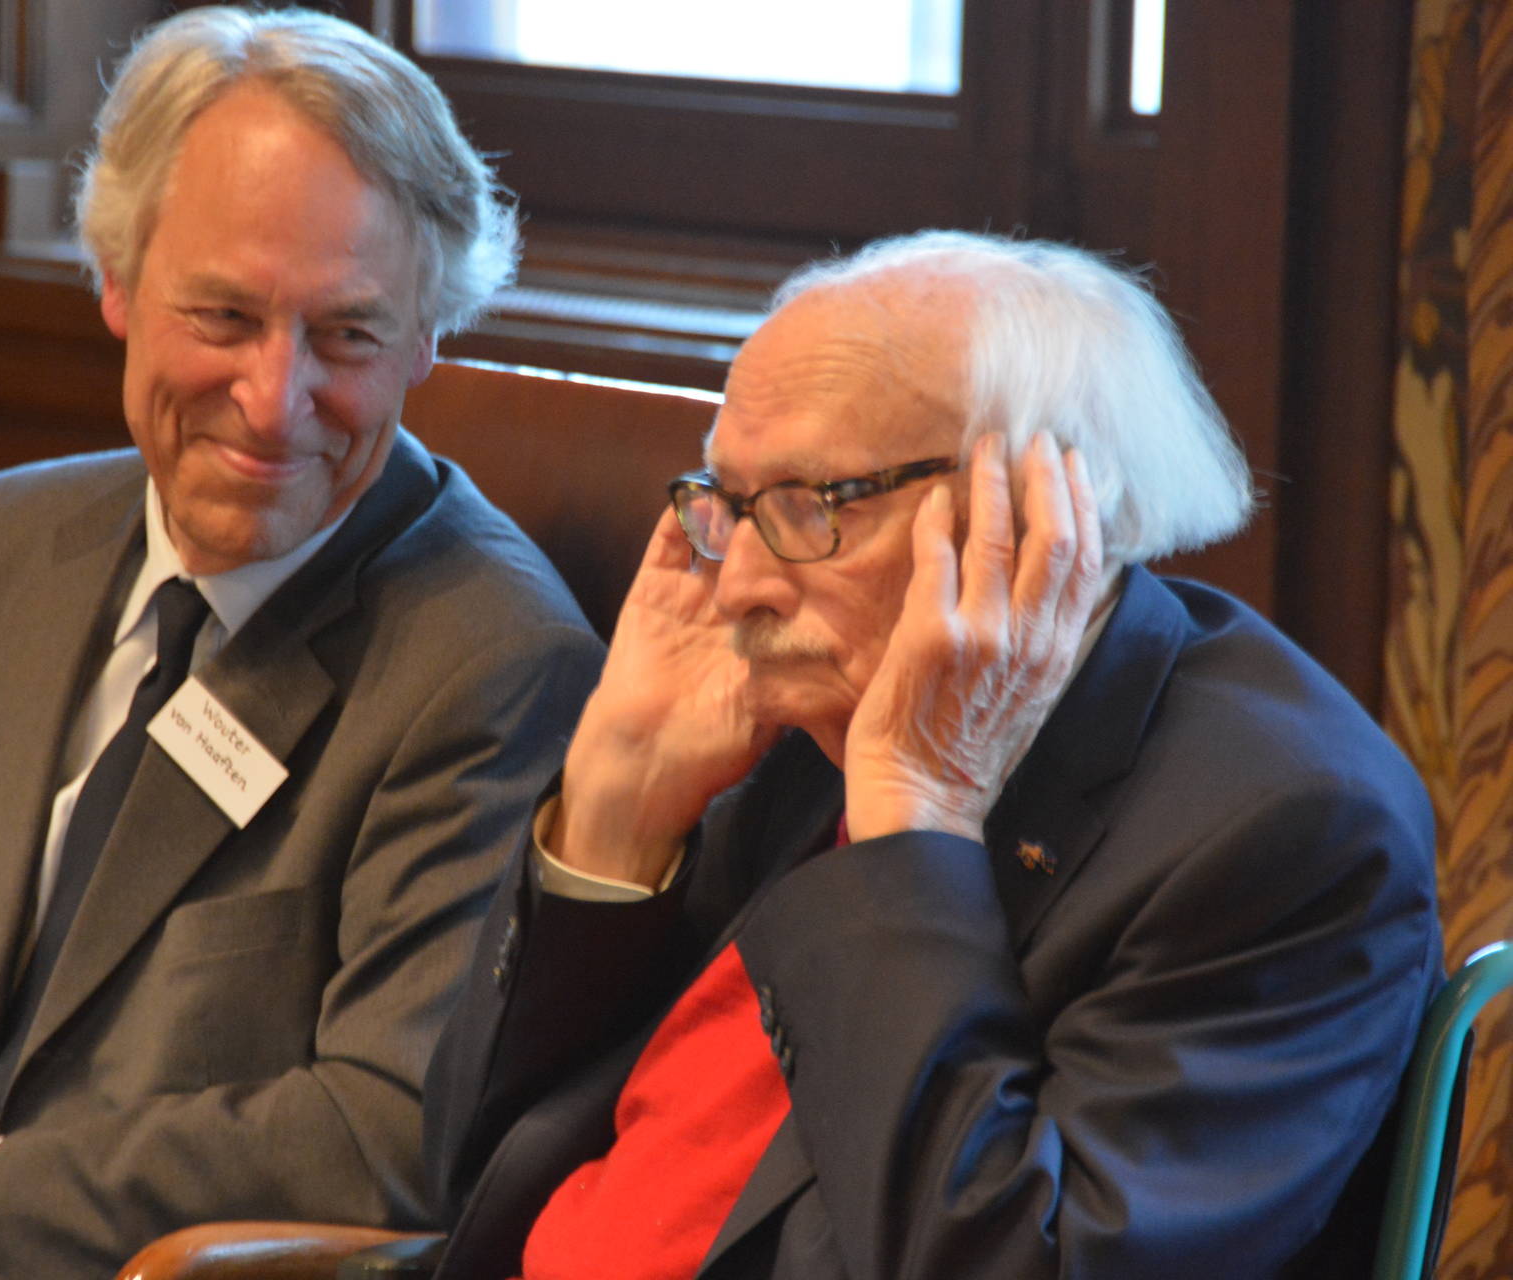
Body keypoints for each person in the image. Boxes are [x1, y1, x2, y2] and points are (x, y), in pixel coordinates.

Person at [0, 8, 603, 1275]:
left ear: (428, 336)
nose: (275, 401)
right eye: (225, 315)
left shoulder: (492, 661)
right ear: (117, 280)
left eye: (348, 334)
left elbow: (381, 1132)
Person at [423, 230, 1443, 1279]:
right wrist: (616, 815)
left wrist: (916, 817)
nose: (739, 588)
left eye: (812, 505)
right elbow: (462, 1174)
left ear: (1040, 510)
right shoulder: (801, 708)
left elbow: (1007, 1265)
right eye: (730, 504)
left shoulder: (1292, 833)